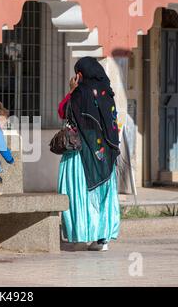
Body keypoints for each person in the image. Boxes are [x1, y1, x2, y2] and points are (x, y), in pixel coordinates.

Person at [57, 57, 121, 251]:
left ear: (80, 74)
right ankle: (103, 239)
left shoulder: (79, 93)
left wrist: (71, 91)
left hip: (81, 153)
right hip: (105, 154)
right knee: (103, 194)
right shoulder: (106, 92)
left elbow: (62, 112)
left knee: (79, 192)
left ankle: (83, 234)